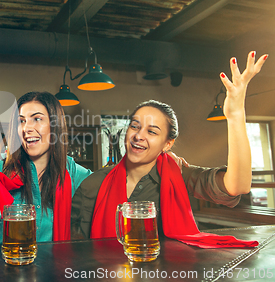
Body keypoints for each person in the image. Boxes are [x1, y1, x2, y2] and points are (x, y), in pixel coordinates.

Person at [71, 51, 267, 245]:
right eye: (135, 126)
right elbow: (76, 250)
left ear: (168, 144)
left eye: (152, 132)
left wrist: (235, 116)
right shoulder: (93, 184)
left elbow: (237, 186)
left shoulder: (180, 175)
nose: (139, 136)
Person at [0, 91, 92, 245]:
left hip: (50, 267)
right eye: (21, 121)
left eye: (37, 119)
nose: (27, 128)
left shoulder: (72, 171)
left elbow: (108, 190)